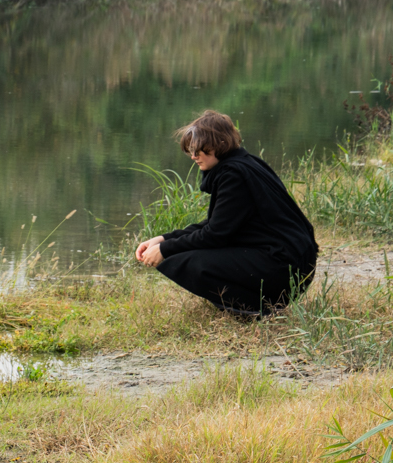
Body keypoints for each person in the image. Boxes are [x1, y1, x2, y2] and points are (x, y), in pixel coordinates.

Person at [135, 109, 318, 315]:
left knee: (188, 263)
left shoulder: (233, 175)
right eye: (191, 150)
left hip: (284, 268)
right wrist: (163, 239)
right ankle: (251, 303)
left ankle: (256, 308)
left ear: (219, 145)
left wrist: (166, 250)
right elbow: (216, 224)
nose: (194, 156)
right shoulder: (246, 164)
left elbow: (215, 234)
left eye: (200, 150)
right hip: (294, 265)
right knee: (183, 254)